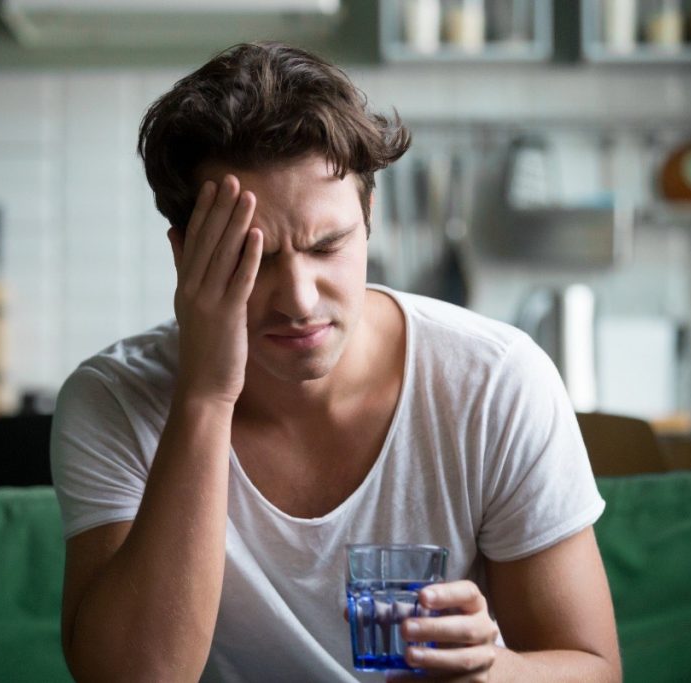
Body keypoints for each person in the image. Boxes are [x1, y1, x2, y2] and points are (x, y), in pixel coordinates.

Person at [50, 42, 621, 682]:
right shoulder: (114, 399)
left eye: (329, 245)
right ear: (185, 257)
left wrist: (494, 672)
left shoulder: (495, 382)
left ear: (368, 216)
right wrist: (206, 397)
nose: (299, 299)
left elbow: (595, 669)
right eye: (255, 257)